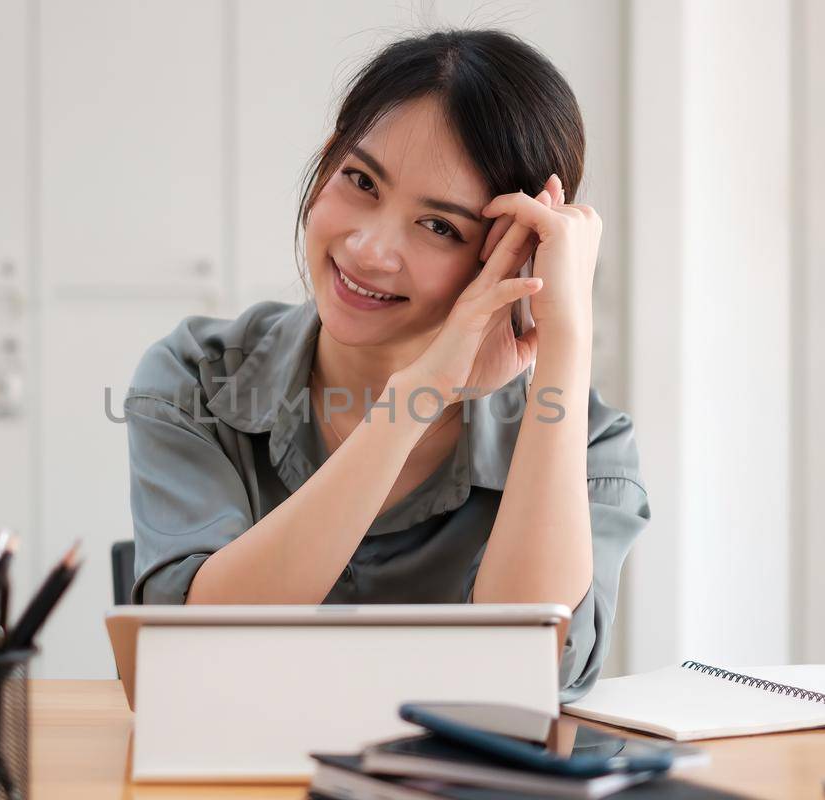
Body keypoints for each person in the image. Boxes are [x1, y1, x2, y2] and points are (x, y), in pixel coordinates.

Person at [119, 29, 648, 703]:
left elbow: (531, 676)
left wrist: (565, 337)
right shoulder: (196, 377)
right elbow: (194, 654)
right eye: (361, 180)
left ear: (510, 259)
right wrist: (415, 400)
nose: (369, 250)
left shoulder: (586, 441)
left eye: (439, 227)